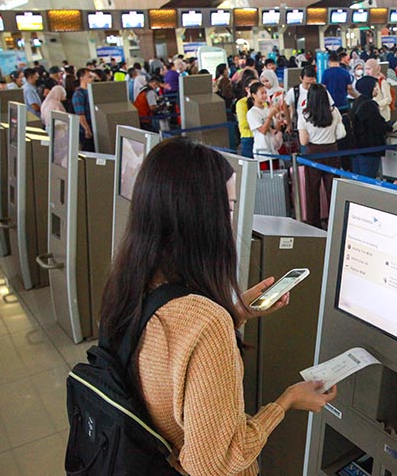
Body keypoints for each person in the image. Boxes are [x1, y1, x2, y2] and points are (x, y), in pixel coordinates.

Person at [99, 138, 336, 476]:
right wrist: (287, 401)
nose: (230, 221)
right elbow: (215, 463)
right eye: (228, 208)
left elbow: (167, 368)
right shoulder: (205, 323)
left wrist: (237, 312)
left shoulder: (127, 283)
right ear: (199, 219)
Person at [297, 84, 344, 228]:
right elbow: (340, 132)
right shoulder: (334, 112)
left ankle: (313, 224)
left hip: (313, 154)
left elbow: (303, 141)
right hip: (332, 150)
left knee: (312, 191)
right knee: (333, 189)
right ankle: (335, 222)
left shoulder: (305, 116)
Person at [348, 76, 391, 178]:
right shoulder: (370, 105)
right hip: (369, 149)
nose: (377, 89)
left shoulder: (357, 102)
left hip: (356, 147)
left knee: (358, 181)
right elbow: (378, 125)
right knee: (368, 181)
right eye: (375, 87)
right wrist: (390, 127)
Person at [247, 82, 283, 163]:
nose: (265, 95)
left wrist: (277, 117)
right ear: (254, 95)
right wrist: (270, 115)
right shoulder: (252, 113)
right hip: (262, 153)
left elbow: (277, 129)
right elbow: (263, 130)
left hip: (273, 150)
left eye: (265, 93)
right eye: (262, 93)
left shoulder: (267, 109)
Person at [72, 68, 96, 152]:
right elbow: (80, 114)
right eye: (89, 76)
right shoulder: (78, 94)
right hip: (87, 129)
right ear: (81, 78)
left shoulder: (92, 91)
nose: (91, 78)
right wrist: (87, 129)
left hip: (95, 128)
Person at [235, 78, 256, 157]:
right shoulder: (241, 103)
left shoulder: (263, 102)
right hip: (248, 138)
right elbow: (244, 124)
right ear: (247, 89)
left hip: (262, 138)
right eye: (254, 86)